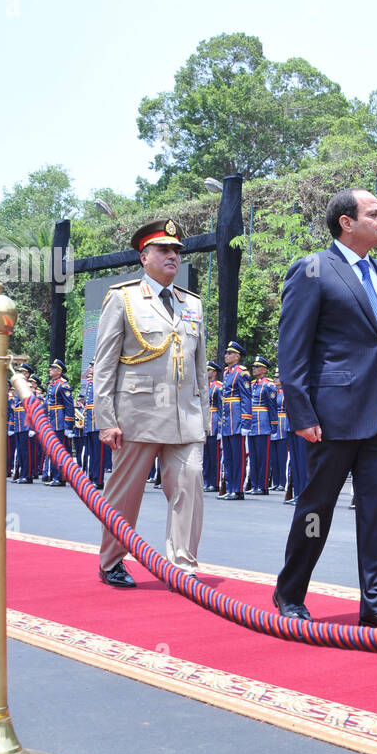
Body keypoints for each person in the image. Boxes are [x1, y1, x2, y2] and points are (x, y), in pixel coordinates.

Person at [272, 189, 377, 627]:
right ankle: (290, 593)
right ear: (347, 223)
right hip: (332, 416)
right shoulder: (314, 269)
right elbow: (293, 349)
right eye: (375, 213)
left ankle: (376, 602)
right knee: (316, 508)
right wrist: (302, 413)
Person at [93, 218, 210, 587]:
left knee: (189, 483)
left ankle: (182, 565)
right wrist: (105, 419)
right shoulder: (122, 297)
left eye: (176, 250)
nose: (172, 256)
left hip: (185, 416)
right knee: (125, 493)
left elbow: (199, 367)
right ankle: (112, 559)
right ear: (144, 257)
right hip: (136, 415)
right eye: (163, 250)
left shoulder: (192, 304)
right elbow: (105, 363)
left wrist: (204, 417)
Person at [218, 341, 249, 500]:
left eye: (229, 353)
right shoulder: (227, 373)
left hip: (236, 418)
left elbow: (245, 398)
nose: (226, 355)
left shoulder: (241, 373)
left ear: (237, 356)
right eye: (226, 353)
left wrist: (245, 422)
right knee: (228, 456)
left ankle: (238, 489)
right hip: (227, 418)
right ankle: (229, 487)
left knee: (238, 456)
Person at [245, 355, 279, 495]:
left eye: (257, 367)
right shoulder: (252, 384)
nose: (254, 368)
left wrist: (274, 425)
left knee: (263, 456)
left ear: (264, 369)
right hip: (252, 424)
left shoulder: (269, 385)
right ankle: (255, 484)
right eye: (253, 366)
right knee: (253, 457)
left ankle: (263, 485)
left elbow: (272, 407)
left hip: (263, 423)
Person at [204, 361, 223, 493]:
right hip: (205, 421)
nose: (206, 372)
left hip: (214, 420)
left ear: (214, 373)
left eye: (208, 370)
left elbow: (221, 409)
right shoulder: (204, 386)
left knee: (214, 455)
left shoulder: (218, 387)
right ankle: (205, 481)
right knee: (205, 455)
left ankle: (214, 482)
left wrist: (221, 427)